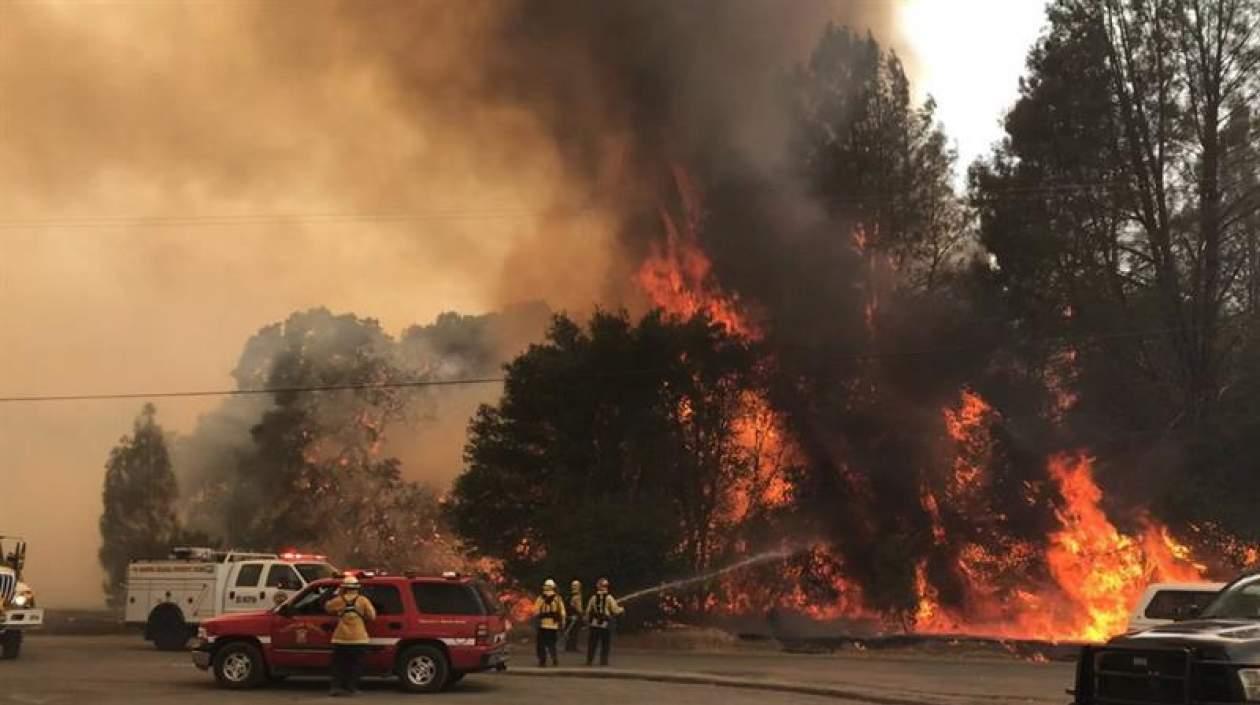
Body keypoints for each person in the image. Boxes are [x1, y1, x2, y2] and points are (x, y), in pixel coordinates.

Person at [325, 575, 377, 697]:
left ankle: (336, 687)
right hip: (359, 639)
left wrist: (337, 592)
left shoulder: (338, 600)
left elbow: (327, 607)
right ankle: (351, 688)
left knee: (338, 665)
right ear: (357, 588)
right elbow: (372, 616)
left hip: (340, 639)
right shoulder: (363, 600)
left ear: (344, 588)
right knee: (355, 665)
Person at [584, 577, 624, 666]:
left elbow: (588, 611)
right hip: (605, 623)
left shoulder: (593, 598)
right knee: (605, 644)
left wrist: (587, 621)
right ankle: (603, 661)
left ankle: (589, 660)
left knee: (592, 643)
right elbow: (615, 610)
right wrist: (621, 609)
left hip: (594, 623)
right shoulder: (609, 598)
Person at [533, 578, 565, 667]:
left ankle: (542, 662)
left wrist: (536, 621)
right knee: (552, 644)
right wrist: (562, 623)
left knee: (541, 645)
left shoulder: (540, 598)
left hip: (543, 626)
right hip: (553, 626)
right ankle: (555, 660)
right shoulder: (558, 598)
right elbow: (562, 612)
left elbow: (535, 611)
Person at [564, 580, 584, 653]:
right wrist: (580, 614)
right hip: (574, 616)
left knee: (570, 631)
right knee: (573, 632)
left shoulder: (569, 595)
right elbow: (578, 607)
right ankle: (572, 647)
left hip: (569, 616)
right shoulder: (576, 596)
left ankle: (569, 646)